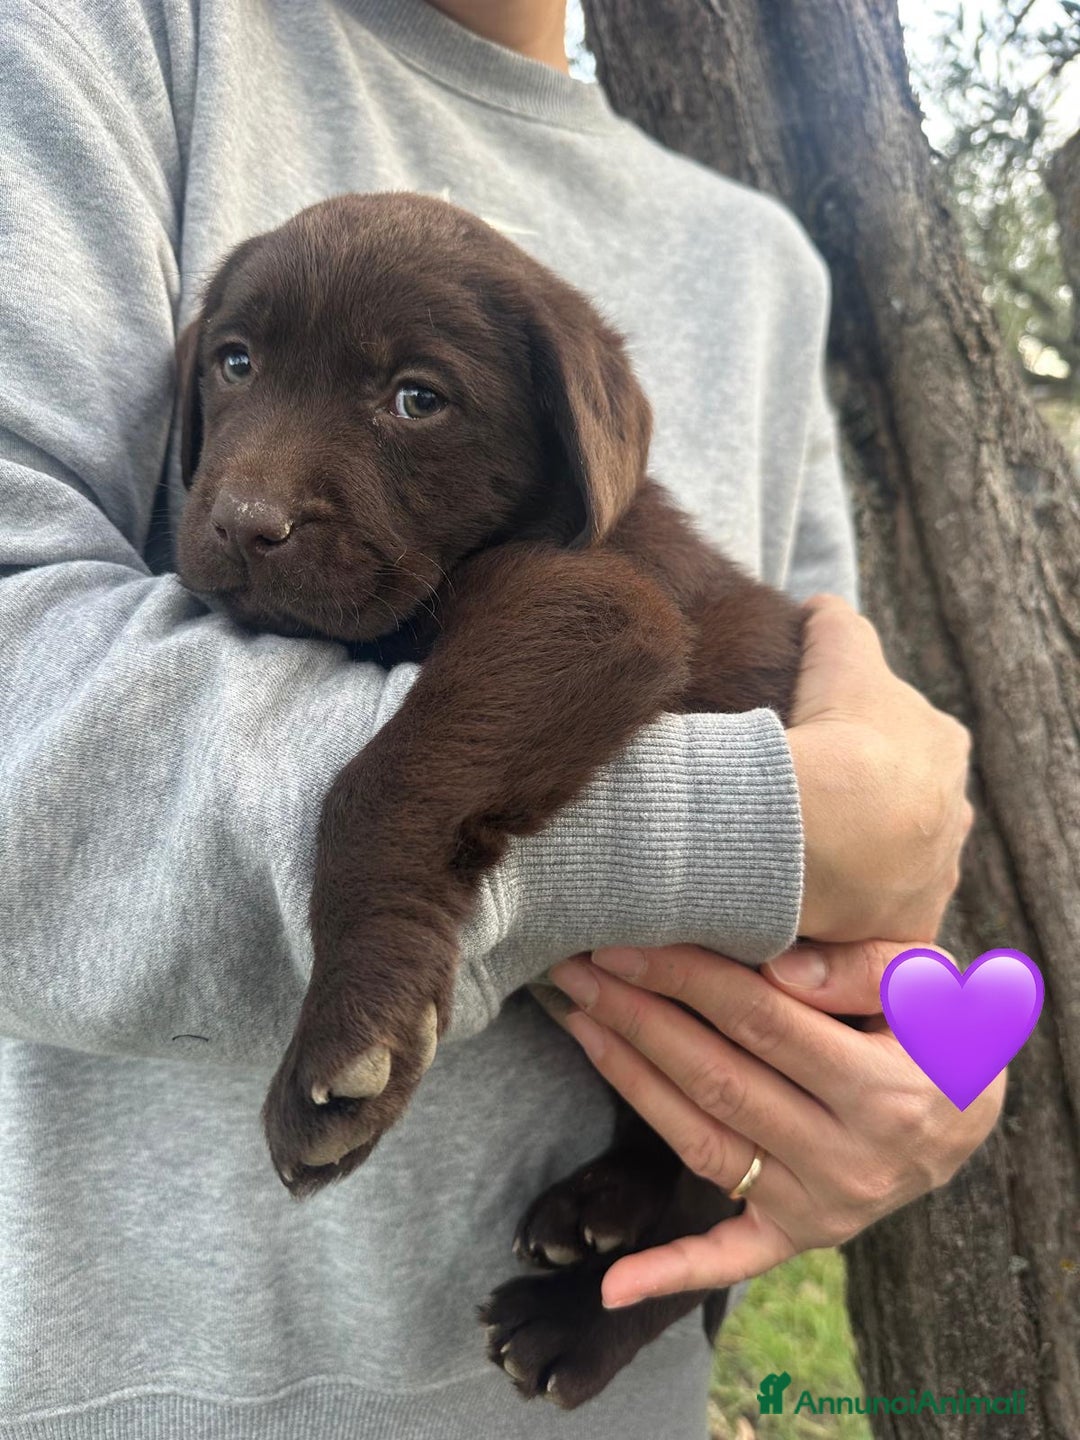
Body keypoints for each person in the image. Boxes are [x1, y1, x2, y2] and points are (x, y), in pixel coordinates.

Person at [0, 1, 995, 1436]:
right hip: (121, 1384)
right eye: (238, 368)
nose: (255, 492)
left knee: (681, 1144)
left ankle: (650, 1236)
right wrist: (740, 830)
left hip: (630, 1331)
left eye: (416, 398)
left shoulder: (754, 277)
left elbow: (627, 635)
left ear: (574, 453)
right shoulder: (98, 40)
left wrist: (925, 1077)